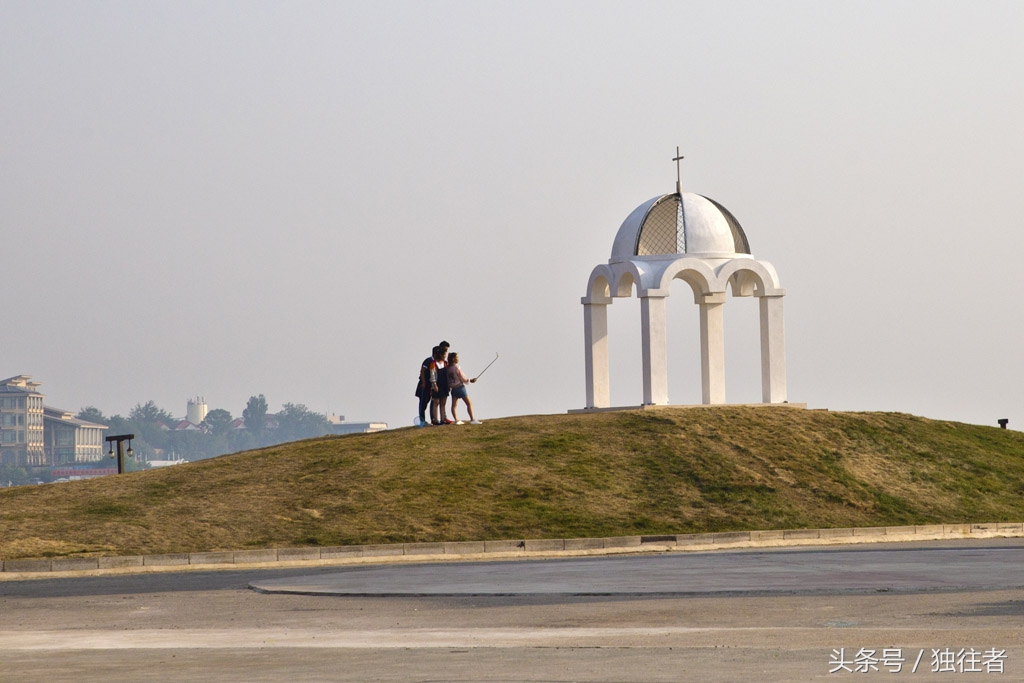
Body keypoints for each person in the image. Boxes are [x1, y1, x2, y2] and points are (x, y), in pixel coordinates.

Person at [446, 352, 482, 424]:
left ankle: (456, 420)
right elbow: (463, 378)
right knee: (469, 403)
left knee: (454, 406)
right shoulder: (457, 367)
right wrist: (470, 380)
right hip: (460, 387)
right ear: (454, 359)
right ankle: (472, 419)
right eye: (457, 357)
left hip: (453, 389)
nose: (458, 359)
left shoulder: (448, 369)